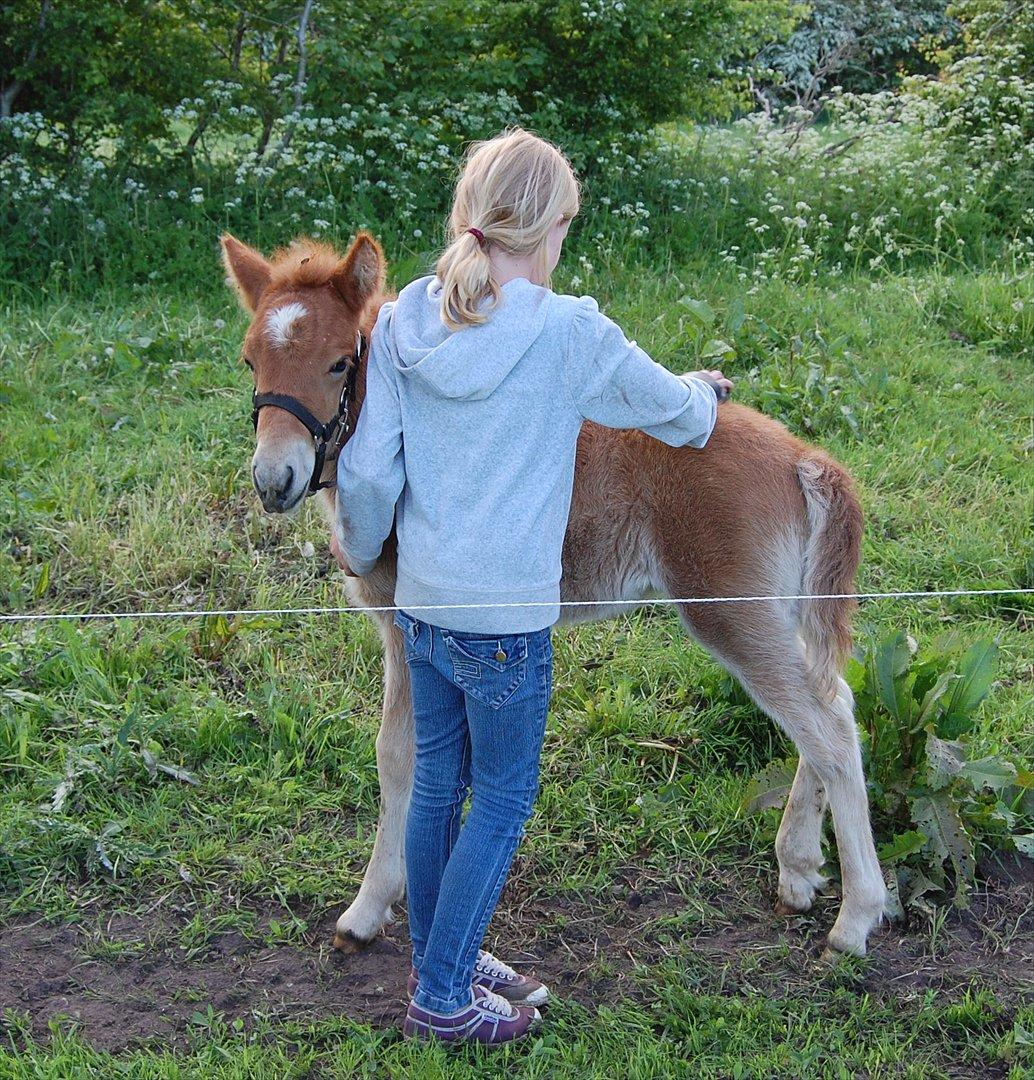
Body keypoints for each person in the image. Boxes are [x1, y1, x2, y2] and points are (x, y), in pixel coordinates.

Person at [334, 128, 732, 1046]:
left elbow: (367, 474)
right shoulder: (565, 329)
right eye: (564, 228)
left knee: (439, 787)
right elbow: (674, 413)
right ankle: (442, 997)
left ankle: (442, 956)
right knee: (505, 800)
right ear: (548, 226)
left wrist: (357, 547)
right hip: (506, 622)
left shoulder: (404, 323)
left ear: (470, 216)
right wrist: (703, 392)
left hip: (424, 606)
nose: (562, 245)